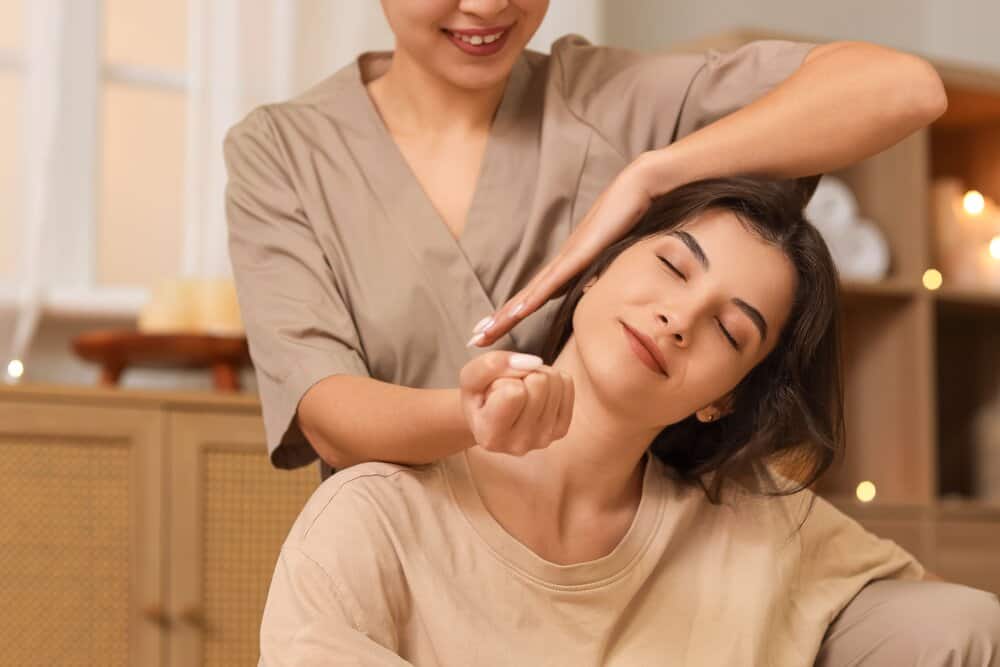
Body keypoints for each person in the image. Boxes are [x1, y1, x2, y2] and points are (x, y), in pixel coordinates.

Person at [222, 1, 981, 663]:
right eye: (674, 269)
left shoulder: (611, 99)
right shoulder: (285, 154)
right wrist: (477, 420)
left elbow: (903, 90)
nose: (488, 7)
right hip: (440, 563)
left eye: (727, 326)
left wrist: (651, 173)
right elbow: (326, 408)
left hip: (661, 560)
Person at [255, 177, 1000, 665]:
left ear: (725, 397)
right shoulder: (375, 518)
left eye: (730, 332)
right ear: (594, 270)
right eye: (674, 267)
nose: (679, 317)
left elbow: (954, 622)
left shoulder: (760, 521)